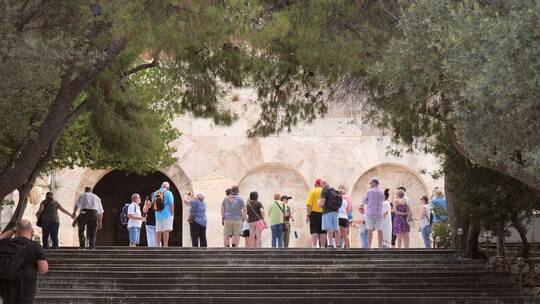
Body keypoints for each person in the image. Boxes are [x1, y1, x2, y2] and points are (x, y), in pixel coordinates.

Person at [0, 220, 48, 304]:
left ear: (16, 231)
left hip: (6, 287)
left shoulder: (5, 244)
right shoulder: (36, 246)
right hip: (26, 289)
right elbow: (43, 269)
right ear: (31, 231)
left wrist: (12, 230)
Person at [363, 178, 385, 248]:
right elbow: (382, 200)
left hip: (370, 213)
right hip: (379, 213)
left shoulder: (369, 191)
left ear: (374, 183)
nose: (370, 184)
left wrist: (369, 202)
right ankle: (380, 246)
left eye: (371, 183)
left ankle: (369, 246)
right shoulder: (382, 192)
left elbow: (364, 200)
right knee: (379, 229)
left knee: (369, 229)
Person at [319, 183, 341, 248]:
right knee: (336, 228)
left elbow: (322, 202)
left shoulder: (324, 191)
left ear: (323, 185)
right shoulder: (333, 190)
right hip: (336, 211)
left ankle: (331, 244)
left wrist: (319, 204)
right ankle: (338, 244)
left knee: (329, 228)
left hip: (327, 212)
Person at [305, 179, 326, 247]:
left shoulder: (312, 191)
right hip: (324, 213)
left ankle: (314, 246)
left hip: (314, 213)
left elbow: (309, 205)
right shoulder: (324, 191)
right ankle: (322, 246)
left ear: (315, 184)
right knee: (323, 231)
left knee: (314, 231)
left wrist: (308, 215)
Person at [153, 182, 175, 247]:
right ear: (167, 187)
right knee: (166, 230)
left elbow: (154, 203)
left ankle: (157, 245)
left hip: (157, 214)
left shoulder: (156, 193)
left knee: (158, 230)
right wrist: (172, 213)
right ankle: (165, 245)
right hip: (167, 214)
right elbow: (171, 204)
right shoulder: (168, 193)